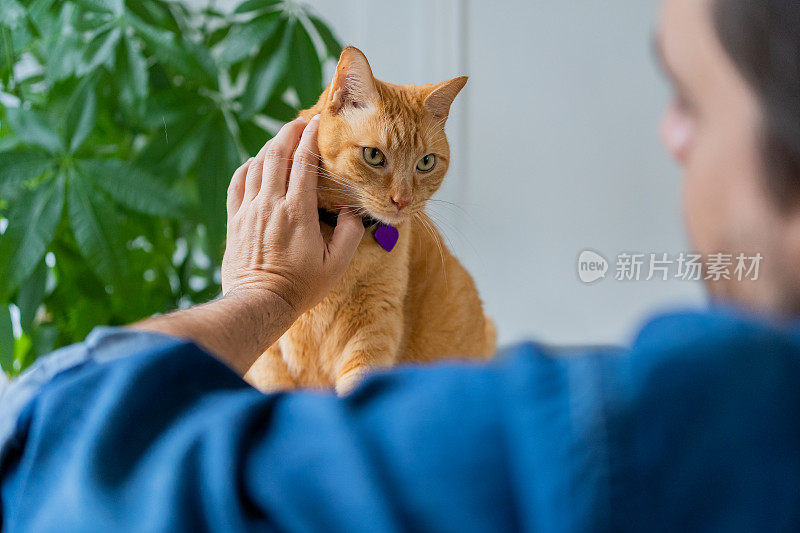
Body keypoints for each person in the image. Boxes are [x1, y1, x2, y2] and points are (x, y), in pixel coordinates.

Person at [2, 0, 800, 530]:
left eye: (690, 99)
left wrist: (260, 294)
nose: (670, 136)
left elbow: (52, 460)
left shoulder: (648, 425)